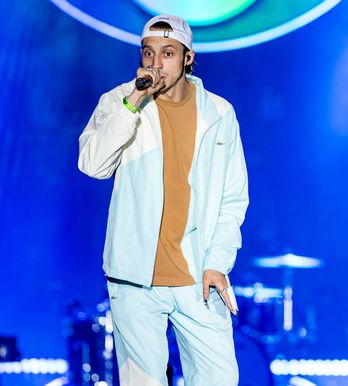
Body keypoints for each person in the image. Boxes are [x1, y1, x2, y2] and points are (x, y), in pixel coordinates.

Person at [78, 14, 249, 386]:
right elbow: (92, 165)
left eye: (168, 53)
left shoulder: (219, 113)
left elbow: (232, 199)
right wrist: (132, 103)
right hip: (135, 279)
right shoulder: (120, 101)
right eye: (148, 53)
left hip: (198, 275)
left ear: (188, 57)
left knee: (220, 379)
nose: (156, 63)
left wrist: (218, 261)